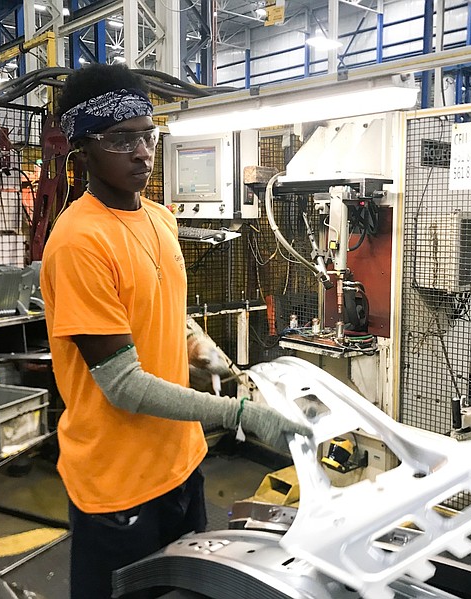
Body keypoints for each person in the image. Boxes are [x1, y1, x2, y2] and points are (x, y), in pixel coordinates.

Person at [40, 63, 311, 599]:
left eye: (147, 134)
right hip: (119, 490)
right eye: (121, 139)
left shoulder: (160, 219)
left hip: (182, 468)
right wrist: (240, 414)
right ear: (83, 150)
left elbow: (163, 310)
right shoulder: (78, 242)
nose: (142, 152)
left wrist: (199, 347)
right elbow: (125, 386)